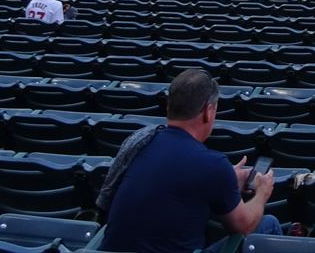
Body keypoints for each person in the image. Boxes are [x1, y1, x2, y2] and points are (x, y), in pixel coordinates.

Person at [99, 69, 281, 253]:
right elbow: (243, 226)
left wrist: (227, 182)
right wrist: (262, 192)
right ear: (208, 111)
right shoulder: (213, 164)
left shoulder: (140, 144)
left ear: (169, 107)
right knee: (270, 224)